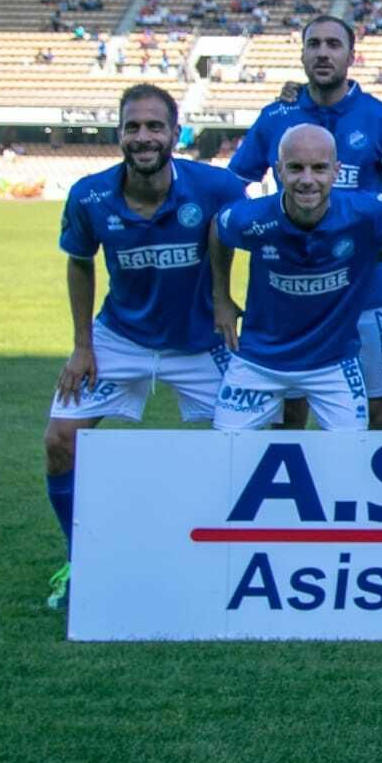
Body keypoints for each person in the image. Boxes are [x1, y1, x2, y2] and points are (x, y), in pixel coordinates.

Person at [42, 84, 247, 609]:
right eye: (133, 127)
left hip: (201, 343)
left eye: (155, 126)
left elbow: (246, 242)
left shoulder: (218, 188)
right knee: (61, 440)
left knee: (249, 447)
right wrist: (82, 346)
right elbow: (79, 262)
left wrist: (224, 299)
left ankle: (233, 559)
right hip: (121, 338)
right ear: (119, 134)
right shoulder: (89, 196)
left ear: (176, 134)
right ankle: (79, 559)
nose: (144, 137)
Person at [228, 16, 382, 429]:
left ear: (352, 56)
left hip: (364, 293)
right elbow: (232, 189)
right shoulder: (274, 117)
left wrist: (376, 242)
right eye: (313, 44)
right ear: (301, 54)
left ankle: (362, 494)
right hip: (288, 296)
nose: (322, 52)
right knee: (288, 415)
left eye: (333, 45)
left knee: (375, 413)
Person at [209, 125, 382, 431]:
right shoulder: (252, 217)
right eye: (295, 168)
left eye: (319, 168)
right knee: (226, 454)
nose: (307, 180)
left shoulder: (365, 212)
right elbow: (218, 228)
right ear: (278, 171)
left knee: (351, 457)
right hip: (259, 362)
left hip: (333, 364)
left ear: (336, 171)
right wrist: (221, 297)